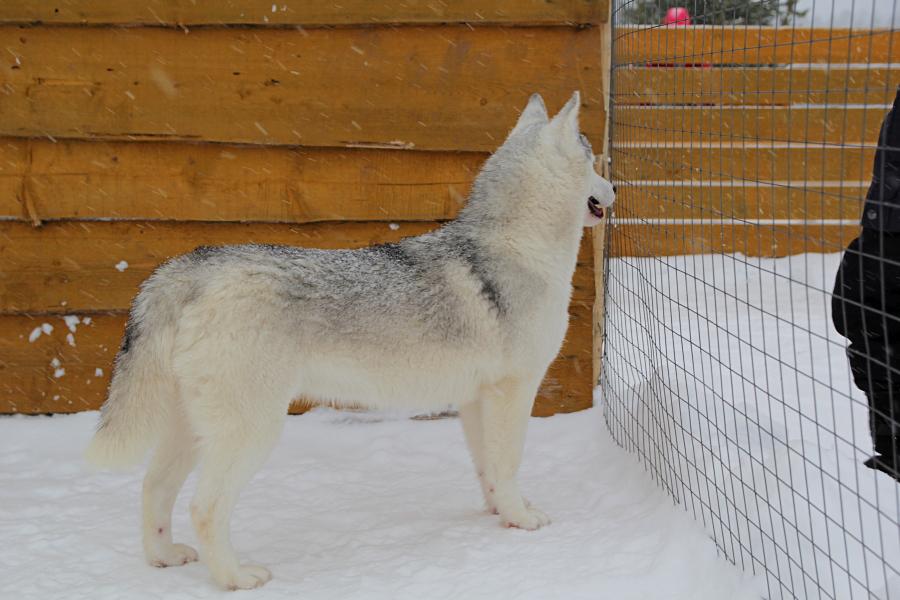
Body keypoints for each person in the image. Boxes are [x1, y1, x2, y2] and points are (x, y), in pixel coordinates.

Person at [832, 87, 900, 482]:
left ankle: (892, 445)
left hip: (886, 231)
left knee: (868, 324)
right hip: (884, 227)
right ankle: (890, 446)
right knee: (863, 321)